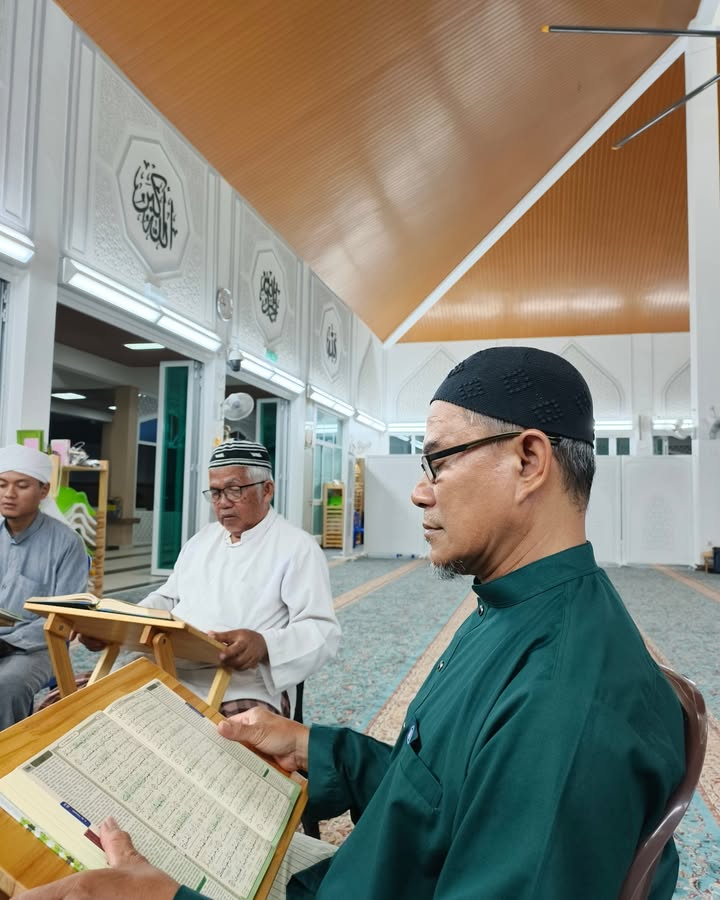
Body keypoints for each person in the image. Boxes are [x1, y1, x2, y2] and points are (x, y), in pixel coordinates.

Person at [21, 348, 686, 900]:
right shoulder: (512, 611)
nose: (420, 491)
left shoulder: (562, 704)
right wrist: (318, 747)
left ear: (529, 461)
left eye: (439, 461)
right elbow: (442, 795)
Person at [81, 439, 341, 718]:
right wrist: (118, 626)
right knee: (68, 709)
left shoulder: (297, 547)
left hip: (241, 683)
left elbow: (321, 630)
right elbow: (169, 597)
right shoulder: (202, 540)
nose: (223, 503)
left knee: (228, 750)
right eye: (215, 493)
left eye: (234, 490)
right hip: (164, 665)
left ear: (267, 490)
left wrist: (264, 644)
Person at [0, 444, 89, 730]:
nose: (9, 494)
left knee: (7, 685)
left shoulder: (67, 544)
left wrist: (7, 642)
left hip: (38, 647)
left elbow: (64, 616)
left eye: (21, 485)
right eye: (2, 485)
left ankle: (8, 762)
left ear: (43, 490)